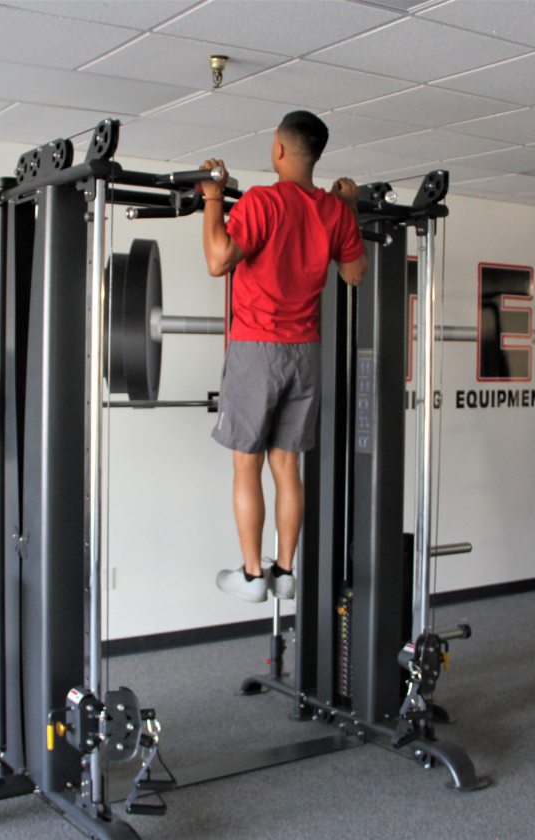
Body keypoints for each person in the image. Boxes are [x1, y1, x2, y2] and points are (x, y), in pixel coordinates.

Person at [200, 110, 367, 603]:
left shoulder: (262, 201)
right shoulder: (335, 213)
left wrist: (212, 198)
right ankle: (286, 570)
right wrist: (350, 209)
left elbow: (217, 259)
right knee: (286, 465)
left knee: (245, 464)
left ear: (278, 150)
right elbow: (355, 274)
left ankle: (253, 575)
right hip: (305, 352)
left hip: (256, 348)